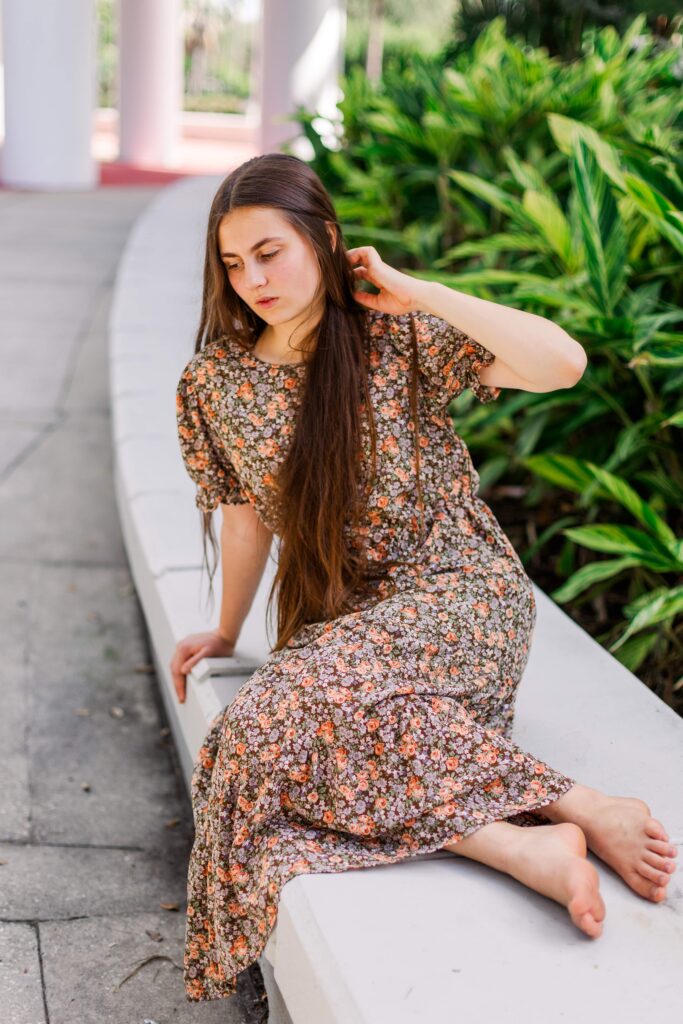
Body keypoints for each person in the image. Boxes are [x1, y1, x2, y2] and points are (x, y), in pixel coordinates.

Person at [171, 153, 677, 1003]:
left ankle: (580, 803)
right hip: (352, 625)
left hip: (462, 597)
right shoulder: (215, 383)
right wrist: (226, 630)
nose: (252, 278)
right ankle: (523, 841)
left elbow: (562, 362)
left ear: (325, 241)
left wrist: (416, 290)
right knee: (264, 737)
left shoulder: (396, 338)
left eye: (271, 252)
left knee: (272, 726)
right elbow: (247, 513)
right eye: (233, 263)